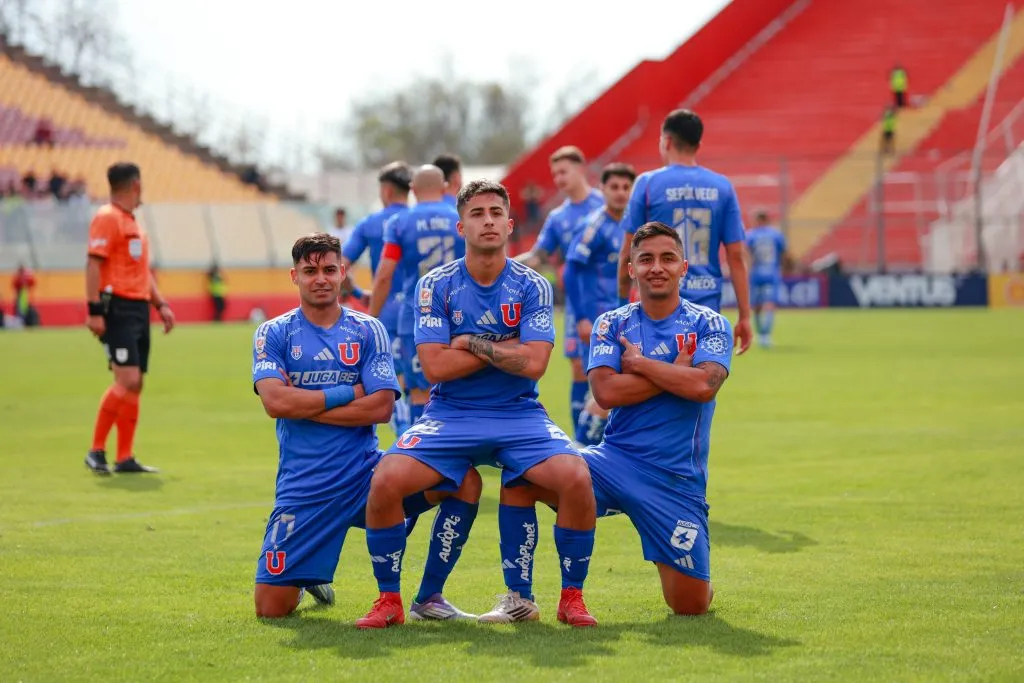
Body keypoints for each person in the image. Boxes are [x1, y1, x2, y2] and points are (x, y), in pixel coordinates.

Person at [356, 180, 598, 629]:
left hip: (519, 413)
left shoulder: (533, 286)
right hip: (451, 414)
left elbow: (535, 364)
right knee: (387, 479)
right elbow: (434, 366)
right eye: (477, 213)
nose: (487, 220)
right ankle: (393, 598)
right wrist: (504, 347)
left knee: (576, 477)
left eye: (495, 213)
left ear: (509, 224)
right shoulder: (436, 285)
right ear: (460, 225)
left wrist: (466, 341)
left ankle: (570, 597)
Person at [499, 221, 733, 616]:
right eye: (646, 259)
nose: (656, 267)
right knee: (522, 478)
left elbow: (703, 387)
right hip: (612, 462)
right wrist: (672, 372)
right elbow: (606, 393)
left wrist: (640, 365)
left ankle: (697, 575)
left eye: (667, 258)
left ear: (684, 267)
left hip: (675, 481)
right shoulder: (613, 322)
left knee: (689, 607)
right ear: (631, 269)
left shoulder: (708, 324)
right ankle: (522, 597)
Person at [250, 232, 481, 619]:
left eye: (328, 269)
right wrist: (347, 391)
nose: (320, 278)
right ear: (294, 276)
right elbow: (275, 402)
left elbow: (380, 408)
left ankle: (428, 596)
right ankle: (310, 576)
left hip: (365, 476)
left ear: (343, 272)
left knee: (464, 480)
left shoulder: (367, 329)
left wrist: (304, 406)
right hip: (305, 488)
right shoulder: (274, 333)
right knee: (271, 610)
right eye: (310, 271)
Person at [618, 109, 752, 354]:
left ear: (667, 141)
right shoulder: (722, 186)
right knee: (700, 382)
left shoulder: (647, 184)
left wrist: (619, 302)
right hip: (706, 305)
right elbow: (736, 255)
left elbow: (628, 250)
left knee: (649, 378)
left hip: (656, 302)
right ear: (698, 144)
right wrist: (744, 315)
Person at [84, 162, 174, 475]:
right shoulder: (107, 218)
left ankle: (124, 457)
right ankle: (96, 450)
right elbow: (94, 265)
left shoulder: (132, 222)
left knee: (136, 385)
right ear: (136, 183)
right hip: (118, 307)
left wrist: (160, 304)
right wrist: (94, 310)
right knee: (128, 380)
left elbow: (141, 271)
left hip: (138, 308)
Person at [515, 146, 605, 430]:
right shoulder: (558, 217)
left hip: (613, 301)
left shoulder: (606, 207)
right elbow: (539, 256)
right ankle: (581, 436)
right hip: (578, 304)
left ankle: (610, 436)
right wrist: (503, 266)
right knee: (579, 368)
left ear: (581, 169)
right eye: (555, 174)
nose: (559, 178)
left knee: (614, 370)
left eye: (564, 171)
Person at [369, 165, 463, 428]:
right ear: (444, 187)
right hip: (460, 316)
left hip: (416, 316)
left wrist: (373, 316)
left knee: (420, 391)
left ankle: (423, 456)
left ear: (413, 190)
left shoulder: (400, 222)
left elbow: (385, 274)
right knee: (460, 388)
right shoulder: (460, 219)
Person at [562, 163, 636, 445]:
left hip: (621, 316)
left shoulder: (632, 225)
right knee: (595, 378)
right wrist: (582, 316)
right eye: (614, 187)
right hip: (595, 317)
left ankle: (591, 445)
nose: (620, 193)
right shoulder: (594, 225)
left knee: (612, 379)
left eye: (626, 187)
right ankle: (581, 445)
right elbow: (570, 269)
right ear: (602, 189)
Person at [339, 162, 413, 432]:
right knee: (424, 386)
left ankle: (407, 441)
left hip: (387, 312)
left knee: (393, 382)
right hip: (427, 310)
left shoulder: (371, 224)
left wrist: (356, 291)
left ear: (386, 190)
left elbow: (341, 265)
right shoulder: (419, 220)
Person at [745, 210, 788, 349]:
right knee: (769, 304)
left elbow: (746, 254)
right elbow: (784, 253)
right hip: (772, 272)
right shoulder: (776, 234)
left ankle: (761, 334)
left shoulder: (750, 235)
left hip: (756, 273)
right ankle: (765, 335)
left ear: (759, 220)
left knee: (757, 305)